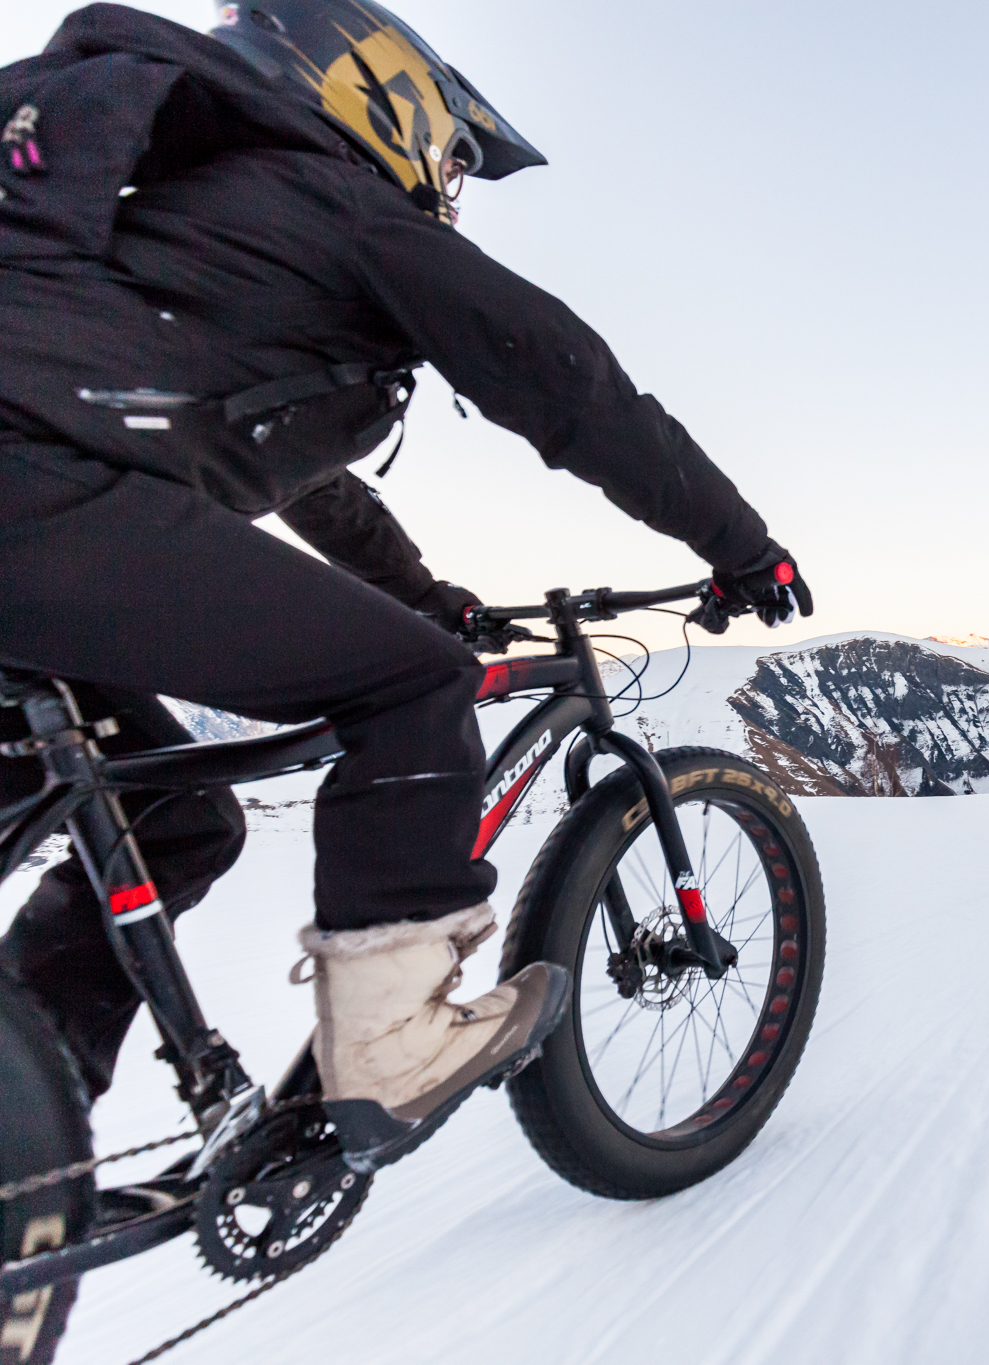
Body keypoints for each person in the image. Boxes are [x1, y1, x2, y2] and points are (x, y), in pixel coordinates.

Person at [0, 1, 811, 1167]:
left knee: (170, 814)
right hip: (40, 498)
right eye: (451, 156)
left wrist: (428, 596)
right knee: (412, 685)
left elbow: (295, 481)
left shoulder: (201, 223)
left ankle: (28, 1144)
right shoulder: (338, 203)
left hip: (50, 503)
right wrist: (740, 545)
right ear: (385, 100)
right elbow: (567, 382)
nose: (449, 182)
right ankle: (390, 1047)